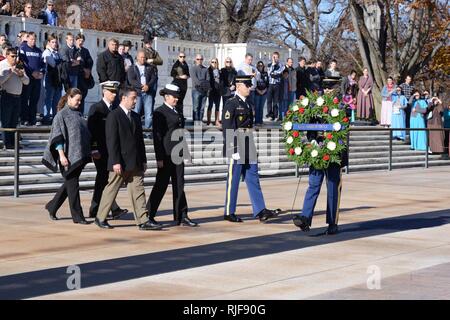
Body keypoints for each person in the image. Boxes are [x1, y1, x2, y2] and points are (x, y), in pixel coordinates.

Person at [94, 87, 158, 231]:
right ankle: (100, 218)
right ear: (124, 98)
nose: (135, 101)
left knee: (138, 190)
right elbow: (112, 141)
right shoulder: (114, 116)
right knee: (112, 189)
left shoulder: (135, 116)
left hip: (135, 161)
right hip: (120, 162)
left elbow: (139, 141)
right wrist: (115, 161)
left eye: (136, 98)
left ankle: (143, 220)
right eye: (133, 98)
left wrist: (143, 160)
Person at [221, 75, 280, 223]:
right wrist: (232, 149)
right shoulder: (231, 103)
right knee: (234, 179)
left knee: (253, 177)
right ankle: (229, 211)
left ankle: (260, 210)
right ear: (239, 86)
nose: (249, 88)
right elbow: (227, 127)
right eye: (247, 85)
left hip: (248, 143)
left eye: (249, 85)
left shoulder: (248, 104)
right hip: (236, 144)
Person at [292, 106, 350, 235]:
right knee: (313, 186)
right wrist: (313, 143)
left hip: (334, 155)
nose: (327, 91)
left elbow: (343, 128)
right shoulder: (316, 112)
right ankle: (305, 218)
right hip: (317, 154)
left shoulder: (339, 110)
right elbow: (311, 132)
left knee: (333, 189)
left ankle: (332, 223)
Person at [147, 84, 198, 227]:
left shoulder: (177, 111)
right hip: (166, 154)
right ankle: (149, 215)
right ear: (166, 97)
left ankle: (182, 215)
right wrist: (159, 158)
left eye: (177, 97)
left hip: (178, 155)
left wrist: (186, 152)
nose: (176, 99)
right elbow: (157, 137)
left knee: (179, 185)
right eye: (174, 97)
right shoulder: (159, 112)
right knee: (160, 186)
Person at [42, 89, 91, 224]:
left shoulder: (78, 114)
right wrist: (62, 156)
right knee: (73, 186)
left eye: (81, 100)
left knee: (69, 185)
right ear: (69, 98)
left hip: (78, 156)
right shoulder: (61, 115)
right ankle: (78, 216)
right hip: (68, 158)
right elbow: (58, 139)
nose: (79, 103)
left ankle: (52, 206)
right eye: (77, 100)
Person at [87, 81, 128, 219]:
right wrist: (93, 149)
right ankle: (99, 208)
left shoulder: (116, 108)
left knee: (106, 180)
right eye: (112, 92)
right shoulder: (96, 108)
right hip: (100, 151)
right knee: (103, 179)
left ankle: (101, 208)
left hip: (112, 151)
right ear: (104, 91)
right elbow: (91, 131)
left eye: (115, 92)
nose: (114, 94)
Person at [0, 47, 29, 150]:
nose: (15, 58)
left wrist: (21, 75)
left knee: (14, 121)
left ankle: (13, 143)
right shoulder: (2, 65)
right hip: (7, 96)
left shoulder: (19, 65)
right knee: (6, 121)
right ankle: (6, 143)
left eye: (16, 55)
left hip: (17, 97)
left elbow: (27, 81)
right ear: (7, 56)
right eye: (12, 56)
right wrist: (9, 72)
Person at [127, 49, 157, 130]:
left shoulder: (149, 67)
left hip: (148, 93)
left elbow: (154, 78)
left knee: (149, 114)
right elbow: (131, 80)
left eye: (144, 57)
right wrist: (141, 86)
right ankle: (135, 129)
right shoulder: (132, 68)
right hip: (137, 94)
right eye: (141, 57)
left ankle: (147, 131)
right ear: (137, 57)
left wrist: (148, 86)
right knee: (136, 112)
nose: (143, 59)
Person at [19, 32, 45, 126]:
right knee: (25, 99)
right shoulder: (23, 49)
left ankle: (32, 118)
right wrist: (31, 73)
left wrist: (41, 72)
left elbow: (43, 63)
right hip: (27, 78)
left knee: (34, 99)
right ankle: (24, 119)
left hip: (37, 79)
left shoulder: (38, 50)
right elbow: (23, 63)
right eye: (31, 39)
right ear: (27, 39)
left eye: (34, 39)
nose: (33, 41)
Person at [97, 38, 126, 107]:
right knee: (107, 105)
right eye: (112, 44)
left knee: (117, 105)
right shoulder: (103, 56)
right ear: (108, 45)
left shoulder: (120, 57)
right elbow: (101, 70)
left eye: (116, 45)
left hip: (118, 85)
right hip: (107, 85)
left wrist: (123, 82)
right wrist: (106, 82)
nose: (114, 46)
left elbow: (122, 70)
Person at [42, 34, 63, 124]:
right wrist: (61, 62)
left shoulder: (57, 53)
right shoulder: (47, 52)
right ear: (49, 43)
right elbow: (53, 64)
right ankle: (46, 118)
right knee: (48, 100)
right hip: (49, 79)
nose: (55, 44)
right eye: (53, 42)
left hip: (58, 79)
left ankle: (55, 118)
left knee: (57, 100)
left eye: (56, 42)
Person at [142, 31, 163, 114]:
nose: (148, 43)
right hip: (146, 75)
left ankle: (149, 112)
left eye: (150, 41)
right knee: (145, 95)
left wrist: (152, 60)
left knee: (153, 95)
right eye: (147, 42)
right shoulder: (142, 51)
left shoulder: (154, 52)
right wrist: (148, 61)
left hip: (154, 75)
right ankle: (144, 113)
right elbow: (142, 60)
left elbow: (160, 61)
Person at [75, 33, 94, 115]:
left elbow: (90, 61)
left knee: (82, 96)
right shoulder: (73, 50)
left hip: (83, 77)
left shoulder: (85, 51)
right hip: (75, 76)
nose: (81, 42)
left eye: (82, 41)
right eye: (79, 40)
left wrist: (88, 70)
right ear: (76, 40)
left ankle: (80, 114)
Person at [191, 54, 210, 124]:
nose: (199, 61)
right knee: (196, 107)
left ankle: (200, 120)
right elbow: (195, 80)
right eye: (198, 59)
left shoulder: (205, 69)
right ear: (195, 60)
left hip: (204, 91)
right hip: (196, 90)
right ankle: (195, 121)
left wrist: (205, 86)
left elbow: (208, 79)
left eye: (201, 59)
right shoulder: (193, 68)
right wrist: (203, 84)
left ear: (203, 60)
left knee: (202, 108)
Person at [266, 52, 284, 121]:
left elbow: (279, 73)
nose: (275, 58)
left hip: (277, 85)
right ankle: (270, 115)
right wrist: (273, 65)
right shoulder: (269, 65)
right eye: (273, 57)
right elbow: (269, 74)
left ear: (278, 58)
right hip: (270, 84)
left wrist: (273, 74)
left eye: (276, 57)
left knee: (276, 101)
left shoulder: (281, 65)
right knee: (269, 101)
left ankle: (275, 115)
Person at [207, 58, 221, 126]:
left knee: (217, 106)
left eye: (215, 62)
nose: (214, 63)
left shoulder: (219, 71)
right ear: (210, 63)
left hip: (218, 91)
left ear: (217, 63)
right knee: (210, 105)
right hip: (211, 90)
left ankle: (217, 121)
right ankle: (209, 121)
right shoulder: (208, 70)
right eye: (212, 62)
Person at [254, 61, 268, 126]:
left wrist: (264, 90)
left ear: (263, 66)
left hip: (264, 92)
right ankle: (257, 121)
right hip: (257, 92)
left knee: (261, 107)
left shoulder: (265, 73)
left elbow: (267, 84)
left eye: (261, 65)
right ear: (257, 66)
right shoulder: (256, 73)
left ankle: (260, 121)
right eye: (259, 65)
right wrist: (258, 90)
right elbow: (254, 83)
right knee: (257, 107)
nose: (260, 67)